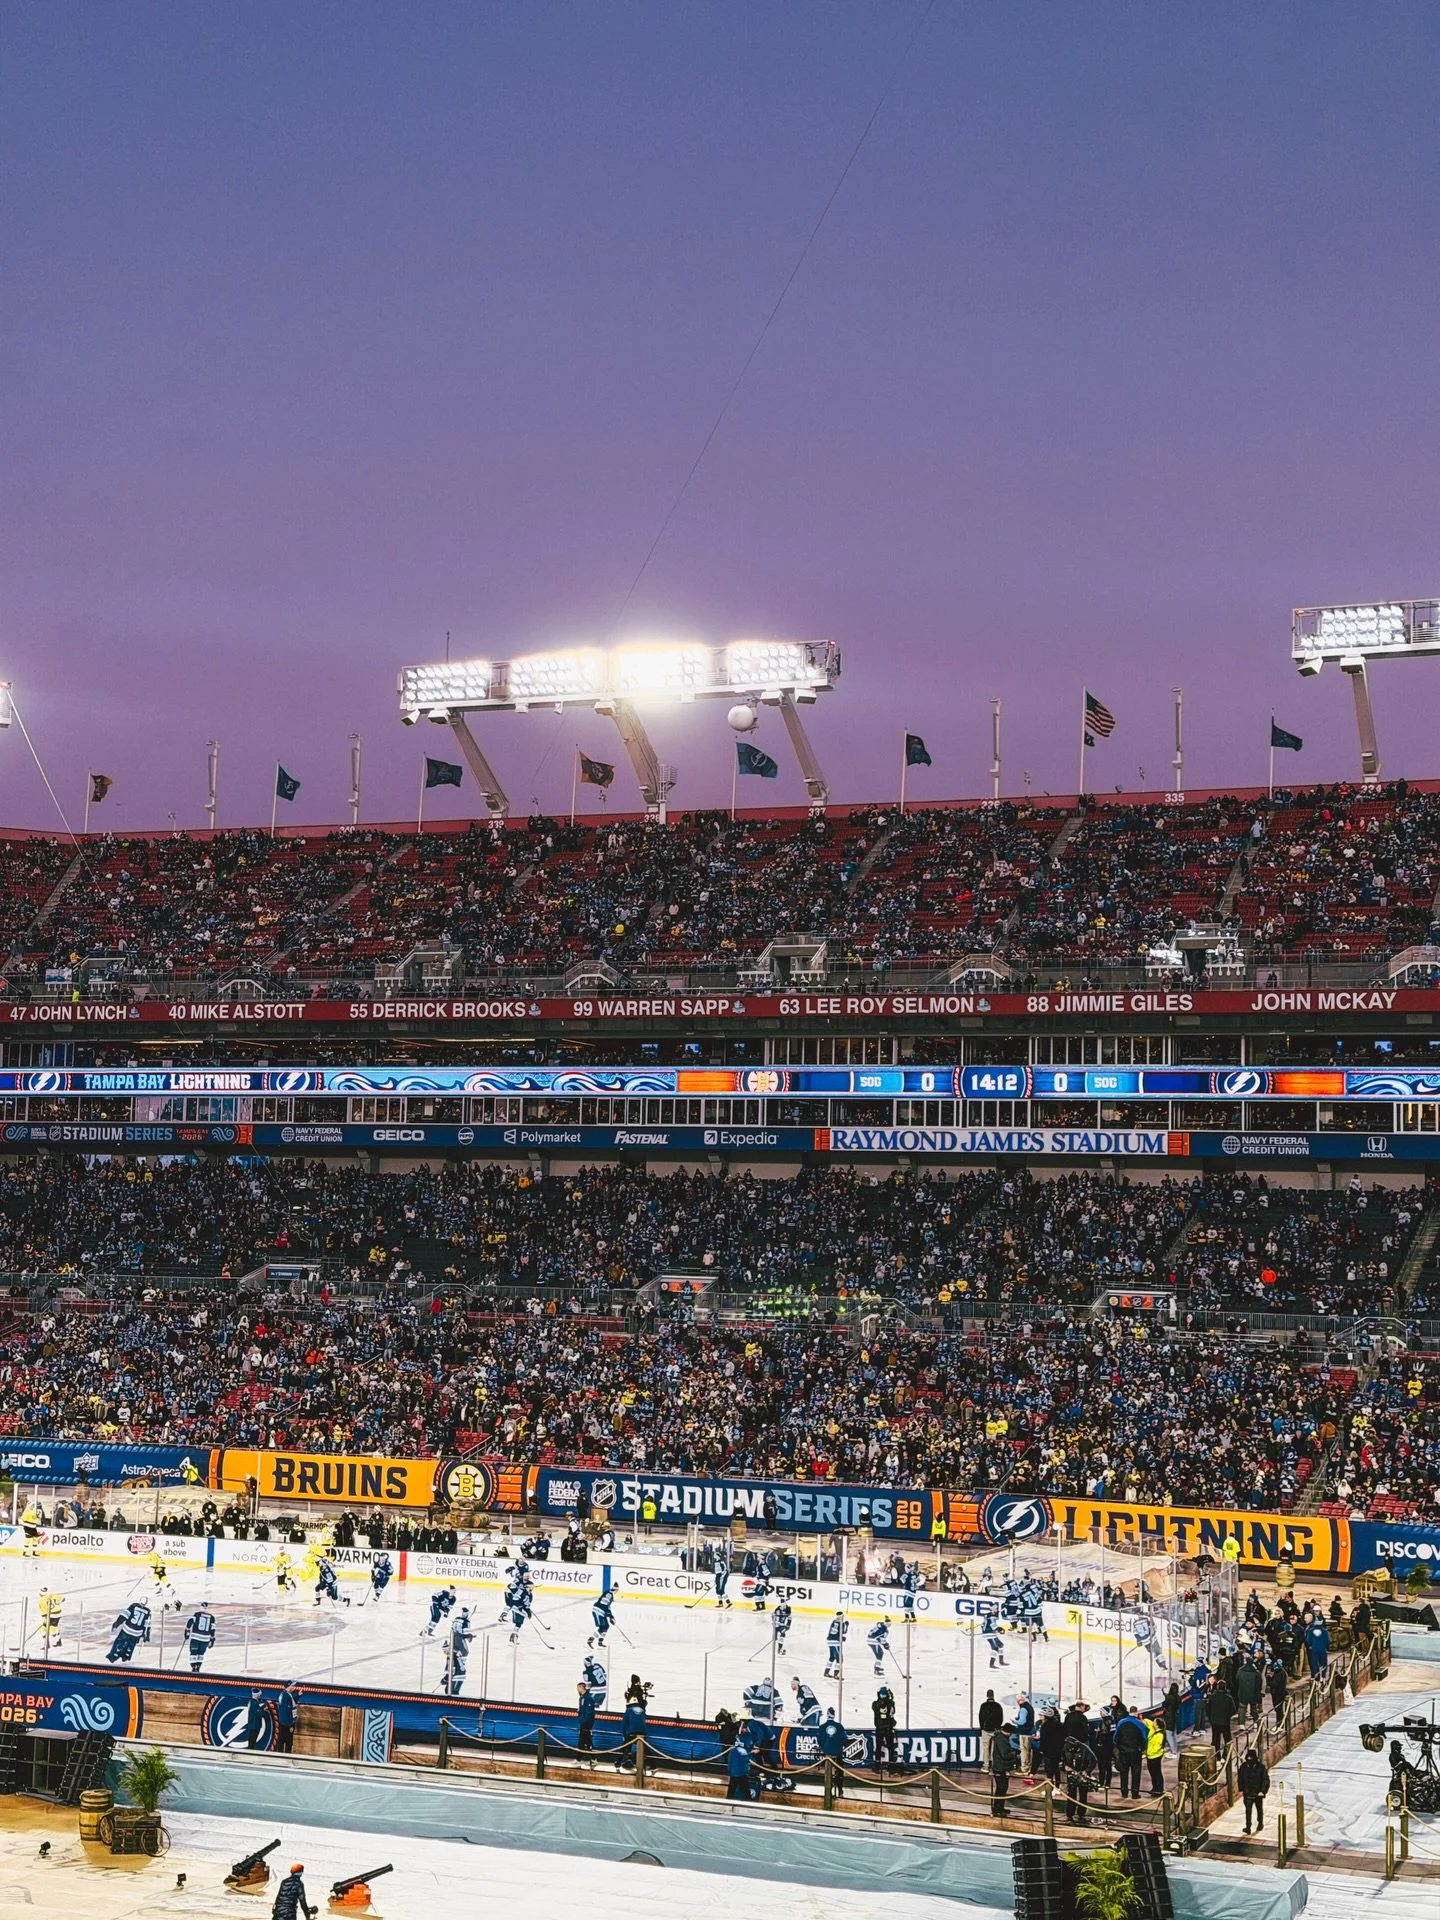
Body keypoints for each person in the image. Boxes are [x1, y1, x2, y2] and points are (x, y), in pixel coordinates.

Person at [1113, 1708, 1146, 1797]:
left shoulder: (1121, 1722)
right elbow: (1144, 1738)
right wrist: (1143, 1749)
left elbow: (1115, 1737)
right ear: (1136, 1713)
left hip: (1123, 1752)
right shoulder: (1140, 1723)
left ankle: (1124, 1793)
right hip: (1135, 1752)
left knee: (1124, 1772)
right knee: (1135, 1773)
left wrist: (1119, 1748)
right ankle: (1135, 1794)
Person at [107, 1599, 151, 1664]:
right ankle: (126, 1655)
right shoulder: (148, 1611)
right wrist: (146, 1635)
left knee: (119, 1641)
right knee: (131, 1644)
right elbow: (147, 1625)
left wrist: (117, 1623)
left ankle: (114, 1655)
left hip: (127, 1629)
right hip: (137, 1633)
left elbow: (124, 1616)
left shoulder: (133, 1606)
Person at [816, 1708, 846, 1798]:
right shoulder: (839, 1726)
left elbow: (820, 1741)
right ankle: (840, 1790)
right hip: (838, 1752)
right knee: (840, 1773)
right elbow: (844, 1740)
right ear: (834, 1715)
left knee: (828, 1773)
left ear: (827, 1714)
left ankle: (828, 1790)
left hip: (827, 1753)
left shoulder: (822, 1727)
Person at [1238, 1749, 1270, 1834]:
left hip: (1257, 1793)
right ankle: (1248, 1826)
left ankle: (1260, 1823)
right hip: (1248, 1792)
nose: (1249, 1758)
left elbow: (1265, 1780)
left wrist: (1263, 1791)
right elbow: (1240, 1778)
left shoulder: (1261, 1767)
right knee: (1248, 1811)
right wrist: (1242, 1788)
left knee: (1259, 1809)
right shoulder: (1244, 1767)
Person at [183, 1604, 217, 1673]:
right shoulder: (212, 1618)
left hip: (195, 1637)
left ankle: (193, 1667)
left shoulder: (197, 1615)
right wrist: (212, 1639)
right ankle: (198, 1667)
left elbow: (190, 1622)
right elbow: (213, 1630)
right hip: (205, 1639)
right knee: (201, 1653)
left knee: (193, 1652)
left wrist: (187, 1632)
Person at [1037, 1706, 1066, 1786]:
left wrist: (1041, 1749)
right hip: (1057, 1750)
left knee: (1049, 1770)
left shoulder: (1045, 1726)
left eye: (1040, 1714)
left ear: (1045, 1716)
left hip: (1048, 1751)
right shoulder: (1059, 1724)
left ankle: (1050, 1788)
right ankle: (1057, 1786)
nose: (1039, 1716)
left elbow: (1043, 1739)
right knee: (1056, 1768)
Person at [977, 1688, 1004, 1770]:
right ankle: (995, 1766)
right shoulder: (998, 1706)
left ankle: (986, 1766)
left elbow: (980, 1717)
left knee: (986, 1749)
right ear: (993, 1695)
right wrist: (998, 1727)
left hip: (986, 1730)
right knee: (995, 1750)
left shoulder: (983, 1705)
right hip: (995, 1730)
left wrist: (982, 1727)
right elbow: (1001, 1718)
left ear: (987, 1696)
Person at [1207, 1679, 1235, 1756]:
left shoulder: (1212, 1697)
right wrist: (1228, 1715)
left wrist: (1211, 1718)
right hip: (1225, 1722)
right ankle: (1226, 1756)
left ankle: (1217, 1757)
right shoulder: (1229, 1698)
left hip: (1214, 1722)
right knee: (1227, 1740)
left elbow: (1208, 1709)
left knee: (1216, 1740)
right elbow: (1233, 1710)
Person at [989, 1722, 1012, 1817]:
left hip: (1002, 1767)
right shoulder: (1001, 1739)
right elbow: (1005, 1754)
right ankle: (997, 1809)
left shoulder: (1000, 1738)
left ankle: (1000, 1808)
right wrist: (1015, 1754)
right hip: (1000, 1768)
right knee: (1000, 1789)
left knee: (1002, 1788)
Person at [872, 1687, 897, 1772]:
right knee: (890, 1748)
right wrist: (890, 1699)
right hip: (888, 1728)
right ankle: (891, 1766)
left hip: (880, 1728)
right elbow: (893, 1712)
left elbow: (875, 1708)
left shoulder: (875, 1703)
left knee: (878, 1747)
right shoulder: (890, 1703)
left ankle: (877, 1765)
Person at [726, 1731, 753, 1801]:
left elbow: (730, 1761)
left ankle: (728, 1801)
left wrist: (729, 1772)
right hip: (741, 1774)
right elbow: (746, 1763)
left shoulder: (733, 1750)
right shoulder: (744, 1751)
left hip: (733, 1773)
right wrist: (747, 1771)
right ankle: (749, 1802)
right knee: (746, 1792)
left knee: (731, 1791)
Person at [1013, 1693, 1036, 1777]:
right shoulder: (1029, 1707)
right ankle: (1028, 1767)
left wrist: (1014, 1721)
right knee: (1028, 1751)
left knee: (1024, 1751)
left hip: (1024, 1733)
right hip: (1030, 1732)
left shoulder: (1023, 1709)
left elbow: (1022, 1722)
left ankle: (1024, 1769)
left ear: (1019, 1700)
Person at [1144, 1714, 1166, 1797]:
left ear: (1157, 1725)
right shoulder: (1153, 1730)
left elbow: (1156, 1747)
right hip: (1150, 1756)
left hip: (1155, 1756)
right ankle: (1155, 1788)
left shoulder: (1159, 1735)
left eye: (1154, 1722)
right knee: (1152, 1773)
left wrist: (1148, 1753)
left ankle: (1159, 1789)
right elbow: (1148, 1722)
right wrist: (1143, 1719)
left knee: (1156, 1773)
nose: (1153, 1723)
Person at [576, 1681, 598, 1766]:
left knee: (583, 1741)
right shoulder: (582, 1698)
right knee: (587, 1742)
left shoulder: (588, 1698)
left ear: (582, 1688)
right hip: (583, 1723)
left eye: (578, 1688)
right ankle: (592, 1758)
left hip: (586, 1724)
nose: (577, 1690)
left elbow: (589, 1713)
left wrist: (583, 1721)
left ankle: (579, 1759)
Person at [275, 1687, 299, 1754]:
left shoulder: (287, 1694)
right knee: (286, 1742)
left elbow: (292, 1702)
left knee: (283, 1741)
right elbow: (287, 1712)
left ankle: (282, 1754)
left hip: (285, 1722)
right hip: (286, 1723)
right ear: (288, 1687)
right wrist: (290, 1725)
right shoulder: (286, 1696)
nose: (294, 1687)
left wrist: (298, 1695)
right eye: (292, 1686)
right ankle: (283, 1756)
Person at [824, 1612, 848, 1678]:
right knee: (840, 1659)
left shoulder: (836, 1622)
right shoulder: (838, 1623)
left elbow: (841, 1632)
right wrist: (846, 1625)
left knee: (832, 1657)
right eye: (842, 1616)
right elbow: (839, 1632)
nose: (843, 1618)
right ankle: (836, 1675)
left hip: (832, 1641)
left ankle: (826, 1673)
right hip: (834, 1642)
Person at [713, 1544, 732, 1609]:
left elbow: (725, 1570)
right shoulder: (716, 1562)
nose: (714, 1556)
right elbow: (716, 1571)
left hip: (722, 1577)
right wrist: (717, 1578)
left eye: (715, 1555)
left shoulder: (721, 1562)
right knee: (717, 1590)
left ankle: (729, 1603)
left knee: (721, 1590)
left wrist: (722, 1577)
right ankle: (720, 1603)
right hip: (718, 1577)